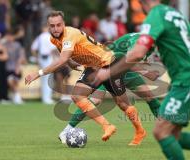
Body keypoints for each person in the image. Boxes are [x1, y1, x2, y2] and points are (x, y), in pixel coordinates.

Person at [91, 0, 190, 159]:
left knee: (161, 132)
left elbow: (137, 53)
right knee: (172, 135)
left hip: (188, 81)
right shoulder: (175, 14)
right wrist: (174, 54)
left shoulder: (155, 15)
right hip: (187, 79)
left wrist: (107, 73)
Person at [25, 11, 146, 145]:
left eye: (58, 25)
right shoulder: (53, 39)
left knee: (123, 104)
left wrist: (38, 73)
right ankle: (107, 126)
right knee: (77, 96)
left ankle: (140, 131)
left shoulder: (69, 34)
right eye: (52, 26)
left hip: (108, 63)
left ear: (64, 24)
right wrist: (71, 62)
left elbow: (61, 59)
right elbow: (65, 55)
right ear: (48, 27)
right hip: (93, 67)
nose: (55, 28)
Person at [58, 32, 162, 144]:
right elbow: (130, 58)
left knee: (149, 98)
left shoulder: (152, 44)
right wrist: (147, 72)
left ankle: (160, 130)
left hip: (126, 70)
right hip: (106, 67)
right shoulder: (139, 40)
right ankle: (67, 129)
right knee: (95, 100)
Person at [31, 25, 57, 104]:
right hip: (48, 58)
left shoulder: (39, 37)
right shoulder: (49, 36)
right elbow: (54, 48)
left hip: (41, 58)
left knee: (43, 78)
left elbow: (33, 48)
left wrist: (36, 58)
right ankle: (47, 98)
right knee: (48, 78)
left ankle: (45, 97)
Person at [4, 31, 26, 104]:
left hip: (15, 67)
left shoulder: (17, 45)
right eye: (8, 36)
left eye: (10, 36)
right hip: (7, 68)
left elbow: (21, 56)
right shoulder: (4, 45)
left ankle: (16, 96)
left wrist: (18, 66)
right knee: (10, 81)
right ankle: (16, 96)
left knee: (14, 82)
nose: (9, 38)